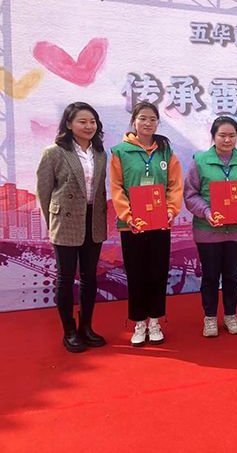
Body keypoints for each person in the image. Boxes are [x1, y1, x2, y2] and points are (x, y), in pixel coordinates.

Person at [36, 102, 108, 353]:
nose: (89, 126)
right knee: (66, 278)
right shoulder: (54, 152)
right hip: (66, 221)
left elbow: (100, 190)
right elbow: (44, 191)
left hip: (93, 220)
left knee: (90, 277)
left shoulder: (100, 152)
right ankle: (69, 331)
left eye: (92, 122)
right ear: (68, 124)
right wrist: (53, 222)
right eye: (82, 121)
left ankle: (86, 327)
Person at [110, 102, 183, 346]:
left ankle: (155, 321)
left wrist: (171, 210)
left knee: (158, 272)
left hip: (160, 223)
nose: (148, 123)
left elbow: (175, 185)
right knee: (136, 273)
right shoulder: (120, 152)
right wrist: (129, 216)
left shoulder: (165, 152)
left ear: (157, 123)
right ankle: (139, 322)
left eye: (152, 119)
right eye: (143, 118)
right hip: (132, 225)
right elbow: (116, 187)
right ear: (134, 121)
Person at [184, 116, 237, 337]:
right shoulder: (200, 160)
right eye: (222, 135)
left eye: (232, 135)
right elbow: (190, 194)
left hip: (236, 231)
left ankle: (230, 315)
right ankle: (209, 317)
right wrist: (206, 212)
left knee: (232, 276)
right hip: (208, 231)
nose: (227, 140)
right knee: (210, 276)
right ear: (213, 136)